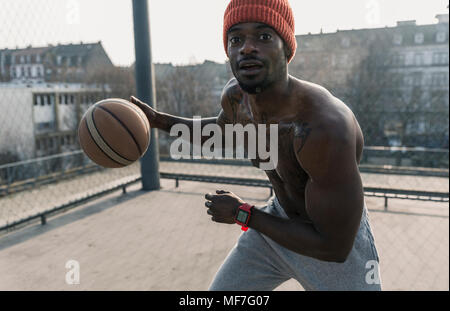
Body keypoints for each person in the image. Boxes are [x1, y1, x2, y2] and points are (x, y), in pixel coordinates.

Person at [130, 0, 382, 291]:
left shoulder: (322, 127)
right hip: (275, 224)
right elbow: (219, 132)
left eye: (263, 37)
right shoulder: (237, 99)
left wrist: (243, 213)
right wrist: (159, 120)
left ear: (286, 49)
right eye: (236, 39)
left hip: (330, 242)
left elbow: (334, 247)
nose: (246, 48)